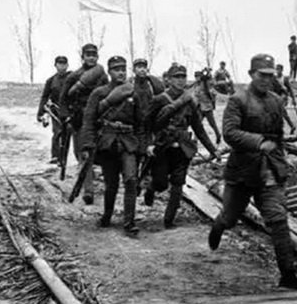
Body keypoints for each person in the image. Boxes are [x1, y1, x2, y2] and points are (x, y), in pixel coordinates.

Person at [208, 53, 297, 290]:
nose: (266, 79)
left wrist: (282, 156)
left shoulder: (275, 100)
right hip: (242, 171)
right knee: (230, 217)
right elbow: (230, 133)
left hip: (269, 170)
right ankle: (219, 225)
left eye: (270, 75)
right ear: (251, 74)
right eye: (262, 75)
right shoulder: (237, 100)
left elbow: (278, 136)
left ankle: (288, 276)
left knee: (278, 220)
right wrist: (259, 142)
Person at [144, 64, 220, 228]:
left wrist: (213, 149)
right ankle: (151, 188)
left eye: (183, 77)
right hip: (163, 147)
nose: (180, 80)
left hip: (183, 147)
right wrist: (149, 144)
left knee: (178, 183)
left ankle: (168, 220)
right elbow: (147, 125)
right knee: (161, 183)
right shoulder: (160, 100)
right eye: (176, 77)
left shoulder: (189, 101)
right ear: (169, 79)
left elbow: (198, 129)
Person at [79, 56, 145, 237]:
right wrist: (87, 145)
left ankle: (129, 222)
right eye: (116, 69)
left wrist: (142, 147)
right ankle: (107, 215)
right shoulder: (99, 93)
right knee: (111, 184)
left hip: (128, 142)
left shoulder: (133, 93)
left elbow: (140, 124)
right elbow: (89, 121)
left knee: (131, 180)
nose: (121, 72)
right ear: (109, 72)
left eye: (123, 69)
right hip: (108, 142)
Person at [60, 43, 109, 205]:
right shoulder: (74, 77)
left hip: (98, 119)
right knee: (81, 154)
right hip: (80, 120)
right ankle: (88, 187)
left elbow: (109, 94)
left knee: (100, 153)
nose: (91, 58)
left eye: (94, 55)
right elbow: (63, 100)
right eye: (88, 55)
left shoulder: (102, 76)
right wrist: (66, 117)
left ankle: (96, 188)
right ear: (82, 57)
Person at [37, 55, 71, 164]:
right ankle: (56, 156)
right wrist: (40, 113)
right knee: (57, 133)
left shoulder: (72, 78)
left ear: (67, 65)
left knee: (68, 134)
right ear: (55, 65)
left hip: (70, 110)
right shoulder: (51, 81)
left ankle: (64, 158)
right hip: (56, 110)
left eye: (64, 64)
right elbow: (45, 97)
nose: (62, 66)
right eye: (59, 64)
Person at [194, 68, 222, 145]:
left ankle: (218, 135)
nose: (196, 78)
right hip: (200, 107)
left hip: (207, 108)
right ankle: (195, 139)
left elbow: (212, 92)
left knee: (212, 124)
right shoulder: (197, 85)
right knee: (198, 123)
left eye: (197, 76)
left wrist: (207, 73)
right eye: (195, 76)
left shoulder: (206, 84)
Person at [272, 64, 297, 134]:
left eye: (278, 69)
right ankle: (291, 126)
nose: (277, 71)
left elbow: (290, 89)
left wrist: (293, 99)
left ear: (281, 70)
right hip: (275, 97)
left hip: (283, 97)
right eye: (276, 69)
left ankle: (287, 126)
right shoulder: (274, 79)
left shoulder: (284, 79)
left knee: (281, 111)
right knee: (280, 113)